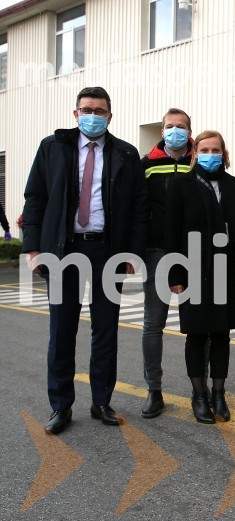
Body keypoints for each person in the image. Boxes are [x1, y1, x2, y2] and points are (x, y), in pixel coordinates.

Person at [22, 86, 148, 434]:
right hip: (64, 250)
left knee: (105, 331)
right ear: (76, 114)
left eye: (100, 110)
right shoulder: (53, 147)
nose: (94, 116)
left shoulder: (125, 153)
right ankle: (61, 406)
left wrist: (132, 254)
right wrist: (33, 248)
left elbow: (139, 207)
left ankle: (101, 401)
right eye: (87, 110)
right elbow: (34, 198)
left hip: (108, 251)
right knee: (62, 331)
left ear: (110, 115)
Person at [166, 130, 235, 424]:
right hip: (193, 269)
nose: (211, 154)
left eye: (216, 149)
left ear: (224, 154)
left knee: (222, 333)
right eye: (205, 149)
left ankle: (218, 393)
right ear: (195, 153)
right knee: (197, 334)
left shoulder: (234, 185)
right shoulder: (180, 185)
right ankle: (198, 395)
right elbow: (172, 231)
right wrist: (175, 272)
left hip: (227, 269)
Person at [139, 108, 194, 418]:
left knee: (200, 324)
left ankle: (201, 390)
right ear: (162, 132)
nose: (175, 131)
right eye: (170, 127)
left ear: (189, 131)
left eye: (181, 127)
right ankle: (154, 390)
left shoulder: (198, 161)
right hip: (157, 252)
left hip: (195, 252)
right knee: (153, 323)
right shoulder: (146, 165)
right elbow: (138, 210)